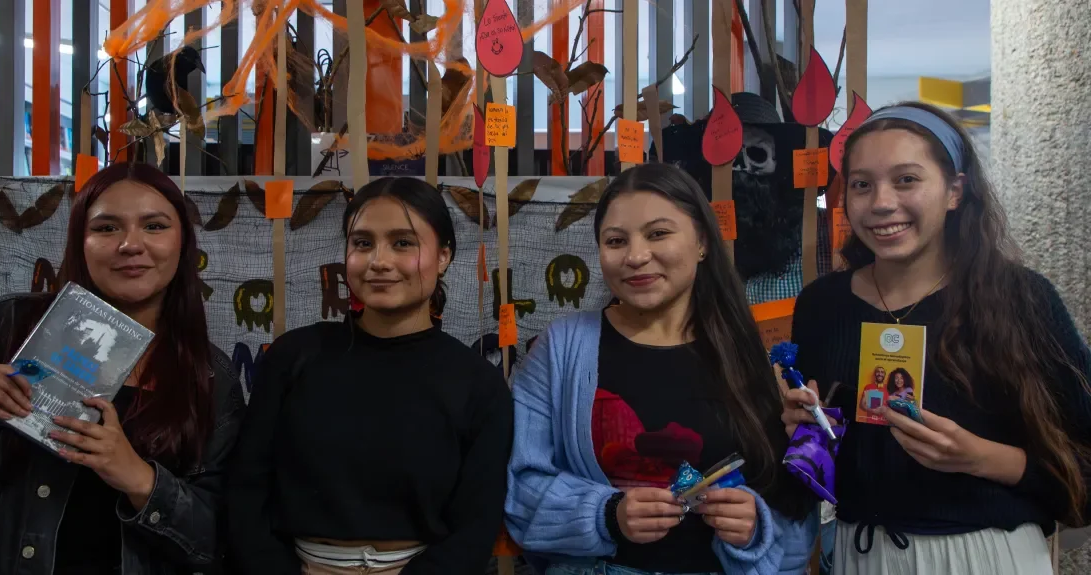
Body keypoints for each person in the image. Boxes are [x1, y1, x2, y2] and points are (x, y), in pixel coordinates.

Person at [0, 162, 244, 574]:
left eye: (154, 226)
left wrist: (138, 478)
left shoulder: (210, 378)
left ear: (183, 243)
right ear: (80, 242)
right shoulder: (4, 329)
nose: (130, 245)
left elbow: (219, 542)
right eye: (106, 228)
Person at [782, 102, 1091, 574]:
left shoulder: (1020, 299)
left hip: (986, 555)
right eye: (862, 185)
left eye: (907, 179)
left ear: (954, 191)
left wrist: (986, 459)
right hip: (856, 552)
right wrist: (805, 430)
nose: (882, 202)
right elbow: (826, 452)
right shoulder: (822, 305)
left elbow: (1083, 461)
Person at [505, 163, 817, 575]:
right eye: (616, 240)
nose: (636, 256)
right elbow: (519, 489)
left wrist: (754, 528)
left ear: (702, 241)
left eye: (658, 234)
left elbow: (794, 513)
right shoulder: (561, 349)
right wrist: (606, 515)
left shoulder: (755, 356)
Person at [227, 177, 514, 574]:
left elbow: (476, 525)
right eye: (362, 243)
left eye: (403, 243)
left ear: (444, 255)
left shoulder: (478, 384)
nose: (379, 261)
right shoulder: (294, 357)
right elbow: (246, 490)